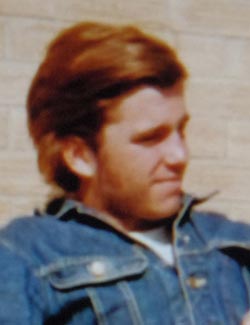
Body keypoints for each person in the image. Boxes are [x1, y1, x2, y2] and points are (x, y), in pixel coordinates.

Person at [0, 22, 250, 325]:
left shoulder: (231, 241)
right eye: (150, 138)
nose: (179, 156)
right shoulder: (26, 255)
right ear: (80, 156)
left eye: (180, 131)